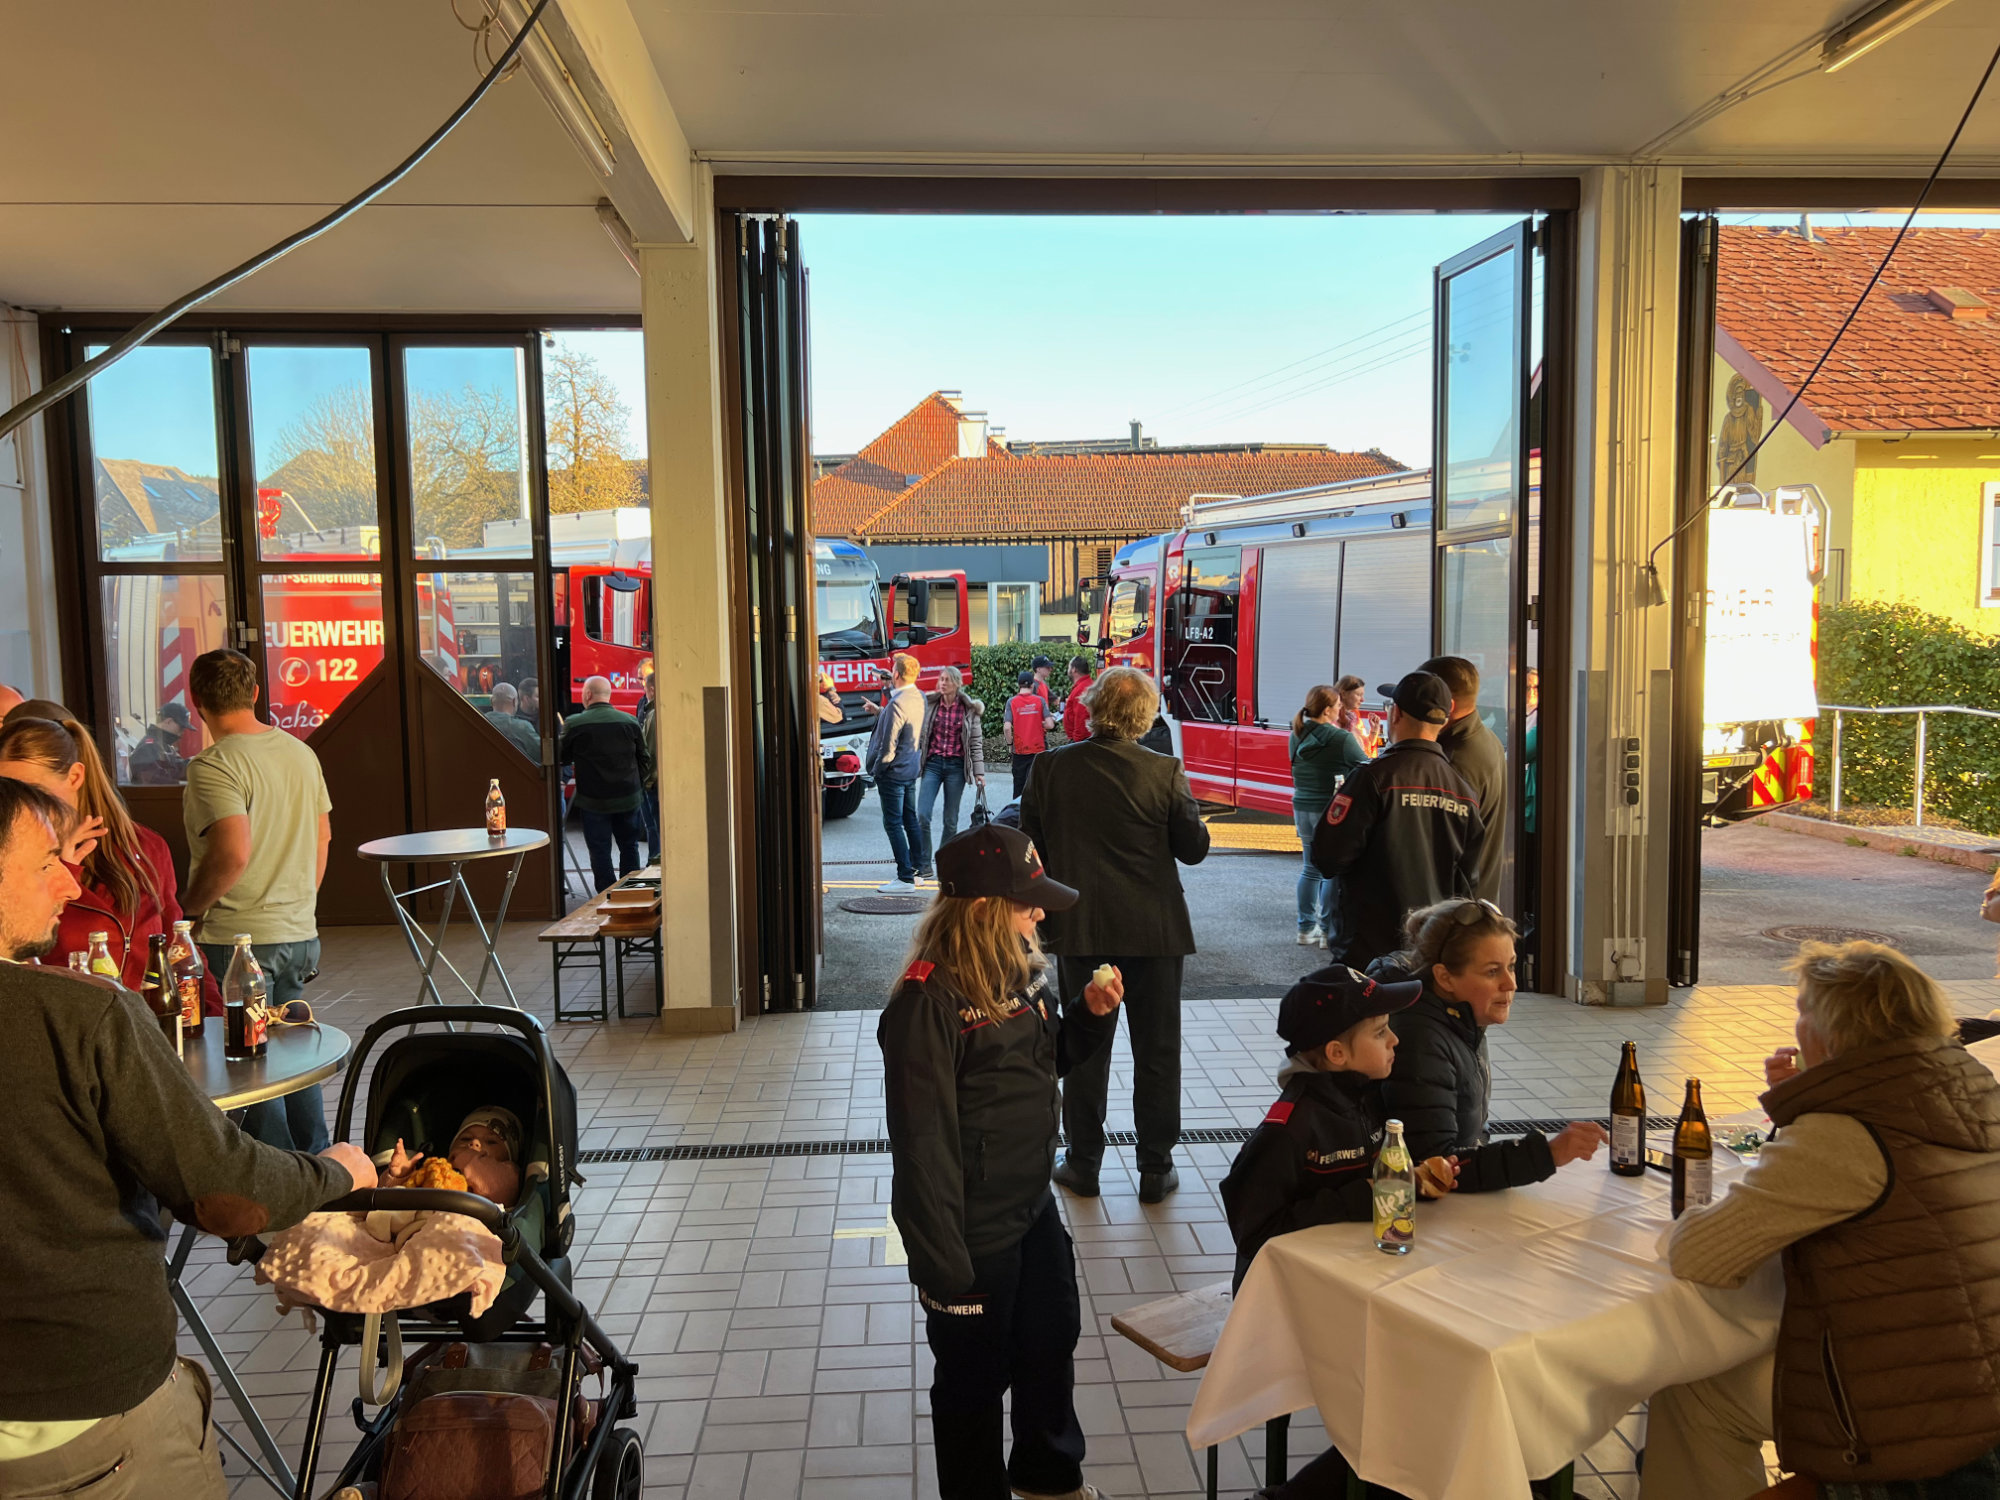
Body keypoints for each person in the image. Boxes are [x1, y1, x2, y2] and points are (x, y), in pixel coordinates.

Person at [0, 776, 373, 1500]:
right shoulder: (78, 1017)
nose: (70, 881)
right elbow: (225, 1193)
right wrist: (337, 1173)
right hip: (89, 1416)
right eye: (46, 861)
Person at [1642, 941, 2000, 1500]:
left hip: (1923, 1433)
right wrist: (1804, 1107)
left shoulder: (1846, 1132)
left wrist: (1808, 1120)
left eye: (1802, 1010)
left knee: (1693, 1387)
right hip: (1978, 1385)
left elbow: (1698, 1253)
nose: (1796, 1024)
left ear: (1831, 1031)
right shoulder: (1972, 1089)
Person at [878, 822, 1124, 1500]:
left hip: (1031, 1206)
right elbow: (921, 1146)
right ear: (984, 909)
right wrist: (942, 1265)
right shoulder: (926, 1001)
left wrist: (1090, 1016)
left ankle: (1048, 1478)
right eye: (1028, 903)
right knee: (973, 1381)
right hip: (971, 1228)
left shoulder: (1021, 971)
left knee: (1051, 1338)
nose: (1039, 914)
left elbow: (1047, 1059)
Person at [1021, 665, 1211, 1203]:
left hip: (1079, 928)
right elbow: (1193, 849)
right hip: (1155, 932)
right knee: (1157, 1051)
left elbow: (1031, 846)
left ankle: (1083, 1164)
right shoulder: (1164, 770)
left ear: (1092, 708)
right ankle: (1156, 1168)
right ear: (1145, 716)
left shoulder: (1051, 768)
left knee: (1085, 1048)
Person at [182, 648, 333, 1153]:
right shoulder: (300, 753)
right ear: (254, 693)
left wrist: (187, 910)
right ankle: (319, 1165)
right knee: (296, 1055)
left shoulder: (214, 765)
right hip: (298, 932)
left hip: (237, 939)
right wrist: (299, 904)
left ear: (196, 700)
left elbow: (232, 853)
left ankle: (278, 1175)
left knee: (251, 1064)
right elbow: (323, 838)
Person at [1221, 965, 1452, 1295]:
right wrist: (1366, 1196)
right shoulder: (1288, 1130)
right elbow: (1254, 1232)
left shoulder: (1367, 1097)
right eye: (1380, 1032)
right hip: (1286, 1295)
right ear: (1337, 1053)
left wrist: (1412, 1180)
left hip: (1348, 1275)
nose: (1395, 1040)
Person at [1373, 899, 1605, 1189]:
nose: (1511, 984)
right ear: (1445, 977)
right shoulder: (1420, 1039)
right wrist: (1547, 1154)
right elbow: (1434, 1168)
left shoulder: (1460, 1017)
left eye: (1511, 966)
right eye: (1492, 971)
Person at [0, 715, 216, 1015]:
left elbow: (176, 941)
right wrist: (62, 867)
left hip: (146, 1024)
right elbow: (23, 949)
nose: (22, 804)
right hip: (67, 1024)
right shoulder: (13, 854)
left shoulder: (145, 847)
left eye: (34, 791)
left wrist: (214, 1012)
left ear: (75, 777)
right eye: (9, 792)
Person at [1311, 671, 1482, 972]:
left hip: (1366, 951)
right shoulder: (1463, 791)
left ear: (1396, 714)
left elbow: (1327, 857)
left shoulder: (1371, 779)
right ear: (1443, 720)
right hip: (1428, 948)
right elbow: (1468, 882)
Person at [1421, 654, 1507, 903]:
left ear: (1447, 705)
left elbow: (1440, 850)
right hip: (1475, 898)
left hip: (1455, 908)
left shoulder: (1455, 761)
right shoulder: (1487, 739)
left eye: (1423, 698)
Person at [1289, 685, 1369, 950]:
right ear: (1327, 710)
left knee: (1309, 869)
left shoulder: (1296, 735)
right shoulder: (1341, 739)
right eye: (1337, 706)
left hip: (1301, 806)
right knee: (1331, 872)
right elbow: (1367, 766)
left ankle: (1305, 929)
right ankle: (1326, 931)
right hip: (1329, 811)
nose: (1340, 709)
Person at [560, 675, 650, 892]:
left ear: (588, 695)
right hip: (628, 798)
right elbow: (644, 759)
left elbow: (561, 757)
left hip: (593, 802)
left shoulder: (575, 723)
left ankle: (605, 896)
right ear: (608, 696)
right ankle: (629, 893)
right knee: (629, 847)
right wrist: (636, 784)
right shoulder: (630, 722)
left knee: (599, 851)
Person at [915, 666, 985, 880]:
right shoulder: (930, 704)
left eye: (947, 680)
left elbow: (975, 743)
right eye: (941, 679)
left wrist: (979, 773)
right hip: (933, 765)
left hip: (956, 767)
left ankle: (944, 862)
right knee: (922, 815)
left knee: (950, 820)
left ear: (957, 683)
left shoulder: (969, 710)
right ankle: (924, 864)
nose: (942, 683)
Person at [866, 653, 926, 893]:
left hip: (892, 772)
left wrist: (877, 771)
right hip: (910, 767)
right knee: (910, 819)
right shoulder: (919, 696)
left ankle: (904, 878)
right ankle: (918, 871)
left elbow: (887, 746)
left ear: (897, 674)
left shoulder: (896, 704)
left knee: (893, 823)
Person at [1002, 669, 1052, 798]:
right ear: (1032, 685)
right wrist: (1039, 723)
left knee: (1019, 789)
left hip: (1019, 751)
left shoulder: (1011, 702)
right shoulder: (1040, 701)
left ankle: (1018, 810)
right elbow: (1050, 724)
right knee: (1038, 788)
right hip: (1038, 751)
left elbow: (1007, 727)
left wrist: (1010, 744)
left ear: (1019, 685)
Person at [127, 702, 192, 785]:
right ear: (169, 721)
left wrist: (192, 764)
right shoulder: (148, 747)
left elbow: (177, 768)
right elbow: (154, 782)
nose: (182, 732)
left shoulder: (165, 746)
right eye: (181, 727)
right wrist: (184, 784)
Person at [635, 671, 661, 865]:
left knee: (653, 826)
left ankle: (655, 863)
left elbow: (650, 753)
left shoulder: (653, 714)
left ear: (651, 689)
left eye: (645, 689)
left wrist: (647, 783)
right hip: (654, 782)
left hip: (652, 784)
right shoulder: (657, 710)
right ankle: (654, 860)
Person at [482, 681, 541, 761]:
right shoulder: (522, 728)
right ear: (514, 702)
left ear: (492, 701)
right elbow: (542, 754)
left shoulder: (478, 722)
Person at [1333, 675, 1378, 759]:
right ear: (1344, 694)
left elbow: (1364, 749)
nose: (1362, 700)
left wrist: (1374, 731)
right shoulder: (1333, 720)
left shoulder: (1353, 717)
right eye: (1358, 694)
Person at [1061, 656, 1095, 744]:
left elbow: (1081, 717)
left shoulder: (1081, 689)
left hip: (1081, 740)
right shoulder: (1086, 685)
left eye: (1069, 667)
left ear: (1074, 670)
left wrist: (1076, 741)